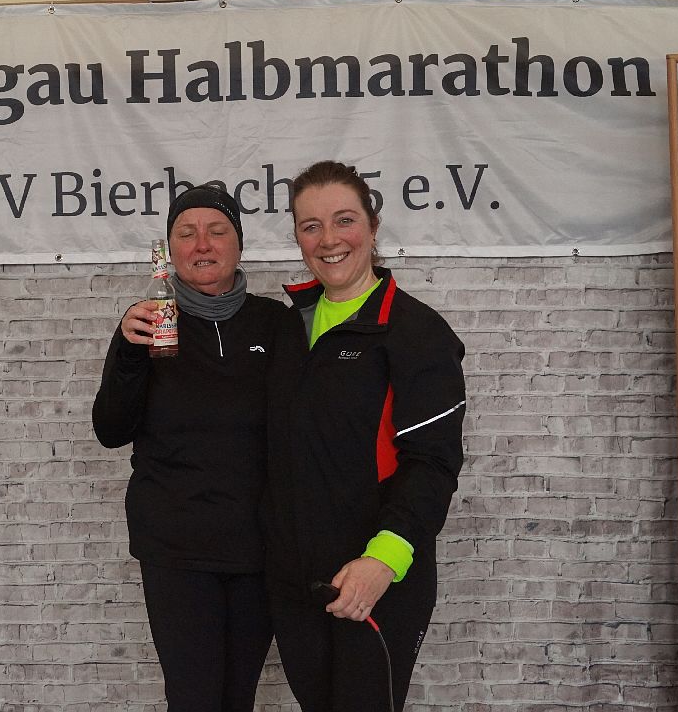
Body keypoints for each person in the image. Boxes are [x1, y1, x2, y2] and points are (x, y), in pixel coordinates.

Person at [264, 160, 466, 711]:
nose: (328, 239)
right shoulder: (288, 330)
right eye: (311, 226)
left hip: (375, 582)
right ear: (297, 236)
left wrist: (382, 563)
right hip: (295, 585)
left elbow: (433, 463)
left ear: (373, 227)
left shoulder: (416, 333)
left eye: (344, 220)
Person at [92, 183, 300, 712]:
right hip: (177, 548)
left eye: (217, 231)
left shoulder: (276, 323)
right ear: (170, 250)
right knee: (194, 699)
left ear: (239, 244)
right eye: (187, 233)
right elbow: (111, 429)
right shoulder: (148, 325)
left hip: (257, 547)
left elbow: (299, 430)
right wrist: (128, 351)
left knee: (237, 698)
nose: (202, 244)